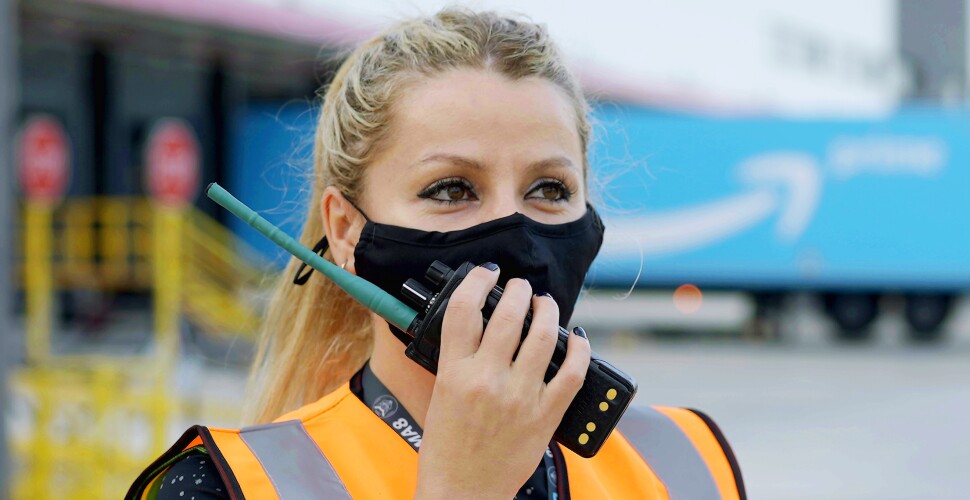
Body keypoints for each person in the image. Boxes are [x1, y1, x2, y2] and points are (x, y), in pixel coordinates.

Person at [127, 8, 744, 500]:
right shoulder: (222, 485)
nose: (517, 235)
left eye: (549, 190)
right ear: (345, 231)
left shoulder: (688, 459)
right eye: (451, 189)